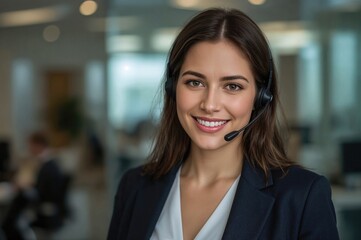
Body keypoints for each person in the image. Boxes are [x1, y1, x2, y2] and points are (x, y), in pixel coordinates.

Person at [107, 8, 339, 240]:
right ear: (173, 88)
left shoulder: (302, 197)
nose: (210, 104)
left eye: (232, 86)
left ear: (260, 98)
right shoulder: (134, 187)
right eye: (195, 82)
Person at [2, 131, 70, 239]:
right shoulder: (48, 164)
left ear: (39, 145)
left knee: (13, 218)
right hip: (46, 207)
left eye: (31, 146)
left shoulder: (48, 167)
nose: (29, 149)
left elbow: (42, 193)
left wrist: (25, 188)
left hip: (45, 212)